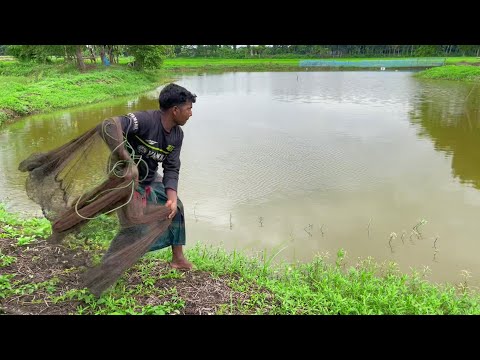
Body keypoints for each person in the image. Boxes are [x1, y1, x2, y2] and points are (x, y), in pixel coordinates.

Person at [114, 83, 196, 270]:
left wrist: (172, 199)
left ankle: (178, 259)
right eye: (188, 109)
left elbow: (172, 168)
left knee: (177, 207)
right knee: (135, 220)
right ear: (175, 110)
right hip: (123, 179)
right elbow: (110, 126)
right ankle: (113, 262)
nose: (191, 113)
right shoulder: (144, 120)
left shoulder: (177, 135)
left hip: (149, 178)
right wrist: (126, 160)